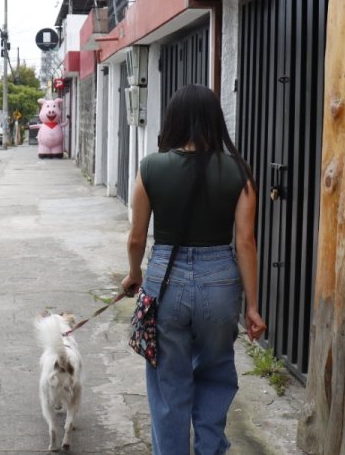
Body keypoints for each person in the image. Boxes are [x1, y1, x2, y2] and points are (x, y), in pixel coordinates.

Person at [120, 84, 266, 454]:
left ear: (174, 120)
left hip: (165, 282)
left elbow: (137, 237)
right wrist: (252, 306)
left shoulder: (151, 167)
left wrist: (134, 274)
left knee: (168, 380)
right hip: (220, 281)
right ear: (214, 120)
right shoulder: (239, 171)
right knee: (216, 374)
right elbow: (245, 243)